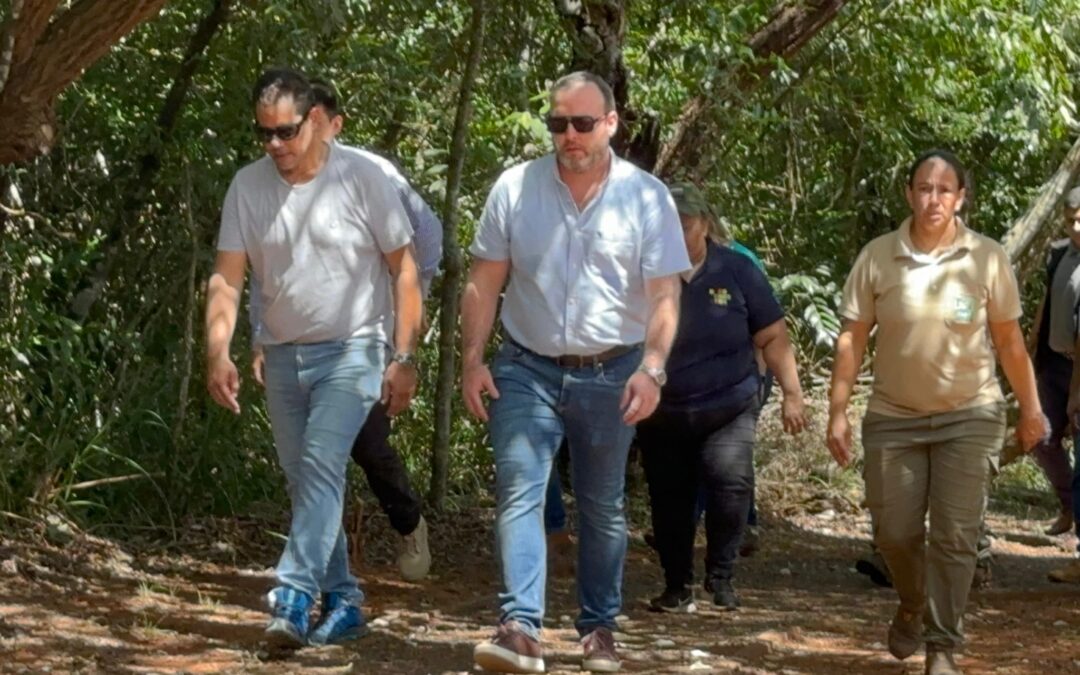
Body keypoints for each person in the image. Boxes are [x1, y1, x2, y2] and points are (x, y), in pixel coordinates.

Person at [461, 71, 688, 674]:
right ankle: (520, 629)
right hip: (525, 365)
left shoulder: (646, 197)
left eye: (583, 123)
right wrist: (472, 360)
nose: (570, 136)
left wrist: (653, 369)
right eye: (558, 123)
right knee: (520, 491)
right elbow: (484, 281)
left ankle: (598, 630)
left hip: (614, 370)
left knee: (603, 505)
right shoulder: (515, 188)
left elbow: (664, 296)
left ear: (611, 124)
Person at [205, 68, 422, 647]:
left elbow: (405, 268)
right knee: (306, 483)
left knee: (324, 465)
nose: (275, 145)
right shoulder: (247, 188)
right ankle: (345, 598)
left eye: (286, 132)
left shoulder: (365, 179)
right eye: (264, 134)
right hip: (281, 356)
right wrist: (219, 350)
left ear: (318, 122)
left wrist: (403, 355)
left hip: (354, 348)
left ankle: (294, 596)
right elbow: (228, 276)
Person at [826, 149, 1046, 675]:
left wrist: (1032, 409)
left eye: (944, 190)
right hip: (893, 417)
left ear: (961, 198)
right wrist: (837, 410)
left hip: (970, 415)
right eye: (924, 187)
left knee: (955, 534)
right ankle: (912, 601)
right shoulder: (879, 256)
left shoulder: (986, 257)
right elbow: (851, 339)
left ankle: (942, 645)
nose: (933, 198)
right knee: (895, 534)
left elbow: (1011, 343)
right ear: (909, 193)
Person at [249, 79, 441, 582]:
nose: (286, 143)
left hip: (363, 338)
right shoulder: (269, 183)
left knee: (368, 444)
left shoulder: (372, 176)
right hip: (295, 345)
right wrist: (258, 334)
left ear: (328, 123)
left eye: (304, 127)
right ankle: (335, 588)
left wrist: (403, 336)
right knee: (314, 463)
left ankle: (408, 525)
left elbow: (424, 244)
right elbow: (264, 268)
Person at [635, 182, 806, 614]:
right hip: (663, 409)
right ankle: (676, 586)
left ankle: (722, 577)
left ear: (705, 225)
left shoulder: (737, 270)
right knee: (669, 498)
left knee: (730, 486)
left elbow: (772, 334)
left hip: (729, 404)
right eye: (666, 225)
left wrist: (792, 393)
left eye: (685, 223)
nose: (676, 232)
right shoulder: (643, 274)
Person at [1031, 187, 1080, 584]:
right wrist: (1030, 347)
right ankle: (1069, 505)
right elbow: (1047, 301)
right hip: (1054, 363)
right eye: (1070, 217)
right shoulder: (1059, 254)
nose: (1076, 224)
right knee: (1040, 437)